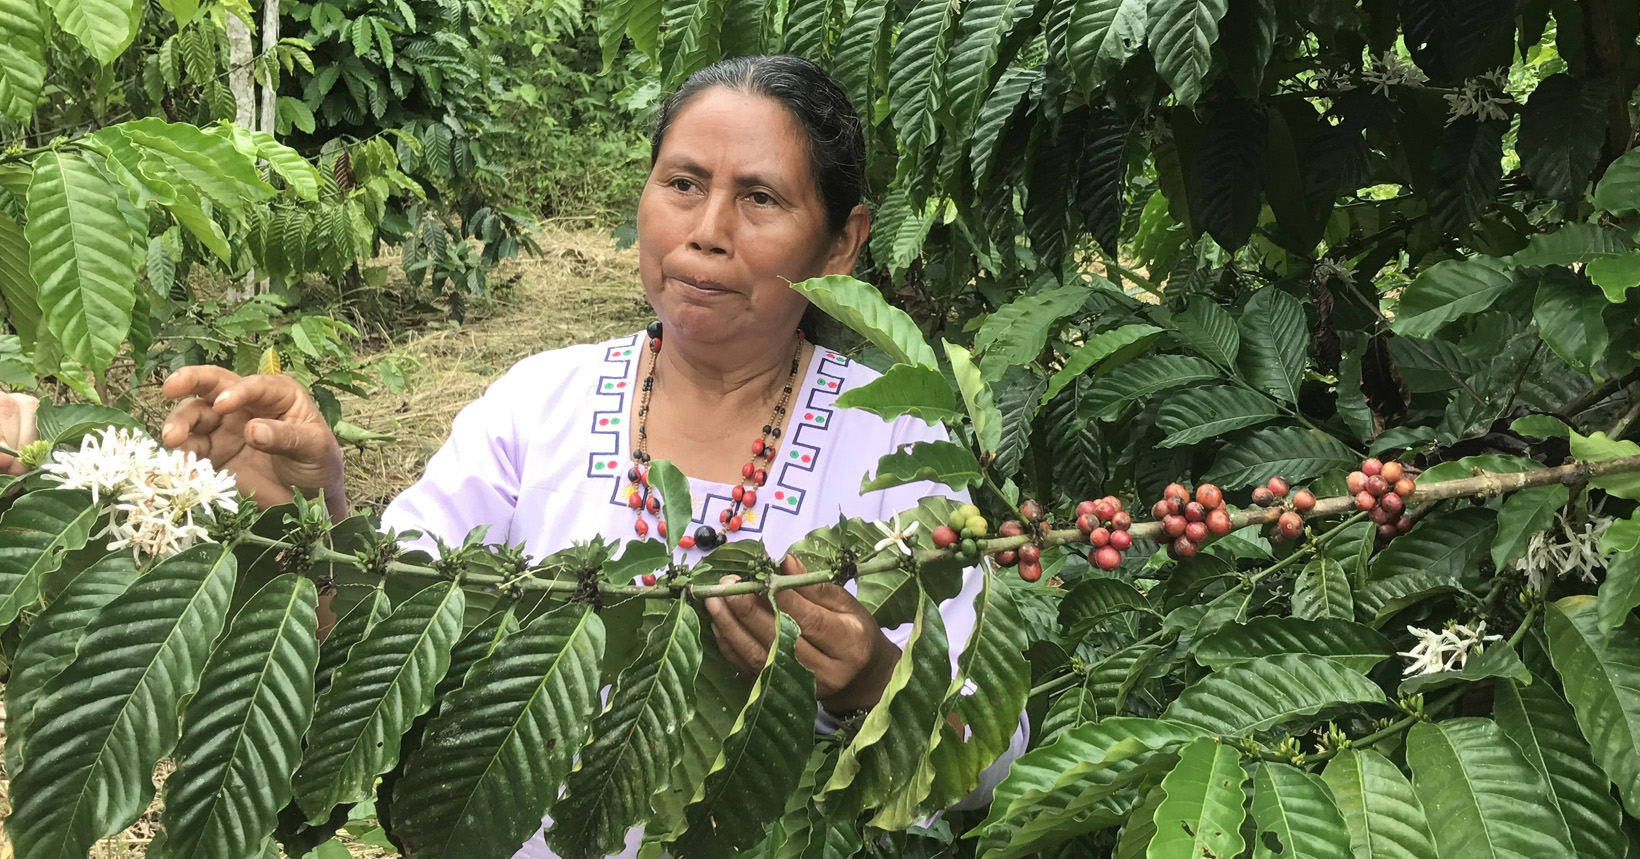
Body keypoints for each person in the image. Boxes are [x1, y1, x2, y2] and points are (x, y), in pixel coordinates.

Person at [83, 55, 1022, 856]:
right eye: (684, 183)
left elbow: (994, 756)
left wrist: (872, 677)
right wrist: (309, 507)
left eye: (762, 198)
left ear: (842, 242)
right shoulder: (541, 403)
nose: (707, 229)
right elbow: (379, 629)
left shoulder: (895, 441)